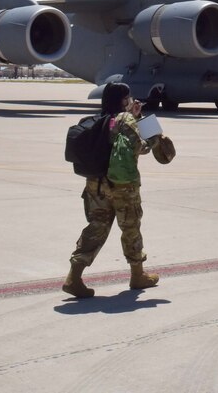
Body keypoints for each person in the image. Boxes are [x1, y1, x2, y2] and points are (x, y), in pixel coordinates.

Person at [63, 82, 161, 299]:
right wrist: (142, 119)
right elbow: (144, 148)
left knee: (96, 228)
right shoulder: (125, 121)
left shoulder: (95, 122)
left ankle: (73, 277)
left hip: (95, 186)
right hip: (122, 188)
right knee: (131, 228)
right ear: (124, 100)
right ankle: (138, 275)